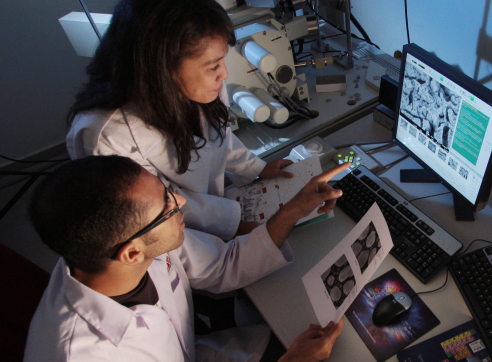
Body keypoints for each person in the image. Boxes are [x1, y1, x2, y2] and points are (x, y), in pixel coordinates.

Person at [24, 155, 348, 362]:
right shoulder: (84, 354)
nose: (179, 201)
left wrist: (292, 209)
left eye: (166, 191)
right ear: (132, 252)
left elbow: (223, 265)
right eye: (166, 204)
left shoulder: (111, 247)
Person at [66, 0, 292, 240]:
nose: (224, 74)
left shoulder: (200, 83)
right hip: (174, 237)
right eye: (214, 65)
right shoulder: (106, 136)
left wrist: (256, 168)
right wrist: (229, 223)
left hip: (215, 209)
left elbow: (219, 134)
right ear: (162, 68)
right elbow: (159, 204)